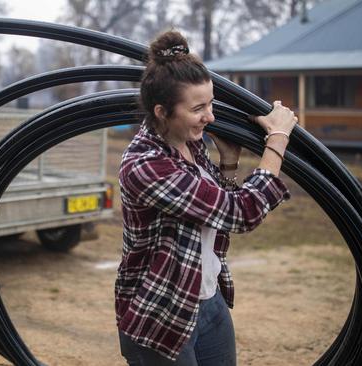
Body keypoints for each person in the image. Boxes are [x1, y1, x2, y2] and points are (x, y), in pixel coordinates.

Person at [115, 30, 297, 365]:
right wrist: (278, 138)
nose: (210, 117)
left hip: (207, 297)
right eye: (198, 108)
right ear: (161, 111)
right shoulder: (147, 166)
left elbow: (212, 213)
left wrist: (228, 163)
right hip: (160, 312)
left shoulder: (191, 143)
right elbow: (240, 213)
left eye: (211, 103)